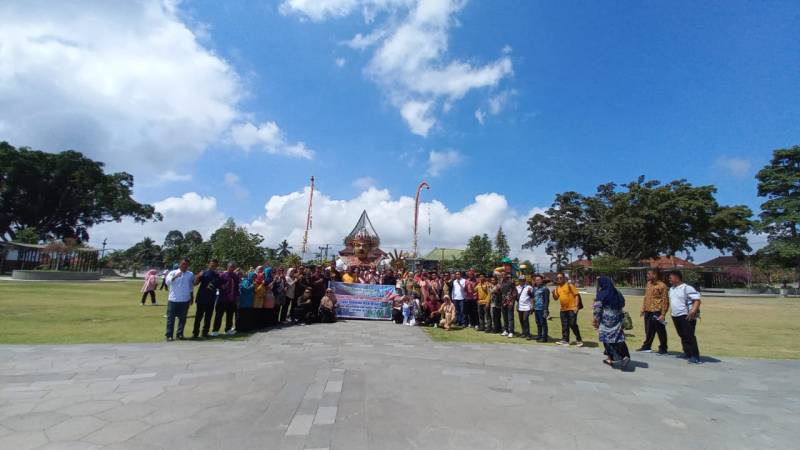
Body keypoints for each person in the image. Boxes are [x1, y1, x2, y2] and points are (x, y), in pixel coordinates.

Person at [593, 276, 631, 368]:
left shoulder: (601, 294)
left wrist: (596, 320)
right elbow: (623, 303)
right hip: (617, 318)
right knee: (618, 337)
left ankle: (612, 358)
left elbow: (598, 309)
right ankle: (624, 356)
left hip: (606, 320)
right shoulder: (617, 292)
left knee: (606, 338)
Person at [668, 270, 702, 364]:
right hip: (675, 315)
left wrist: (693, 311)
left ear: (677, 278)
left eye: (671, 277)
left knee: (689, 335)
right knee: (682, 335)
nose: (669, 279)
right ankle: (687, 352)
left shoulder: (687, 288)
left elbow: (697, 300)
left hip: (686, 315)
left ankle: (695, 356)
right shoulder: (672, 289)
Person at [637, 269, 669, 354]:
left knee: (660, 330)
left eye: (648, 274)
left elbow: (665, 300)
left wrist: (663, 314)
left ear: (655, 275)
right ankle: (647, 346)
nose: (647, 275)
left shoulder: (662, 286)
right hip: (648, 310)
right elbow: (646, 297)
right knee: (648, 329)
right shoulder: (648, 284)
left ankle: (663, 348)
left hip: (657, 311)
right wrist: (643, 309)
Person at [164, 259, 194, 341]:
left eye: (186, 264)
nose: (185, 266)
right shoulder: (172, 272)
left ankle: (180, 334)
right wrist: (176, 276)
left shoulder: (190, 274)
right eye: (183, 264)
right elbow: (167, 282)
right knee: (171, 319)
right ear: (180, 264)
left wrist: (192, 297)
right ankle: (169, 335)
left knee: (183, 319)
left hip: (185, 300)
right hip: (173, 299)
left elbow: (191, 287)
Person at [553, 272, 583, 347]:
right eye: (558, 278)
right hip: (563, 309)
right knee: (564, 325)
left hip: (572, 308)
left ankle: (579, 339)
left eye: (560, 277)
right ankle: (565, 340)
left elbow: (576, 295)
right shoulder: (557, 288)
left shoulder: (570, 285)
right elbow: (556, 298)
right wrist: (553, 293)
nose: (559, 279)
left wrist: (576, 306)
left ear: (564, 278)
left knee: (572, 324)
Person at [192, 259, 219, 339]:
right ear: (208, 264)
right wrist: (198, 276)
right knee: (198, 317)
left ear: (217, 266)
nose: (213, 266)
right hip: (202, 298)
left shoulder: (217, 274)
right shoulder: (203, 273)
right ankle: (195, 333)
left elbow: (218, 285)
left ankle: (205, 332)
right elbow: (195, 283)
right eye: (212, 265)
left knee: (208, 317)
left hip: (211, 298)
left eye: (215, 265)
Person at [212, 262, 240, 336]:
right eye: (231, 267)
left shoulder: (235, 276)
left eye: (233, 267)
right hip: (222, 299)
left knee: (230, 316)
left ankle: (228, 329)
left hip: (231, 299)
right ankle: (215, 330)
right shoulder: (222, 275)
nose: (232, 268)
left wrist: (237, 297)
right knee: (219, 315)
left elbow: (237, 288)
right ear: (227, 267)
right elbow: (217, 284)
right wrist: (222, 286)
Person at [532, 275, 550, 342]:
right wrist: (533, 307)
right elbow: (534, 298)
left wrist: (545, 310)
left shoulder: (545, 289)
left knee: (543, 323)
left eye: (539, 280)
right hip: (536, 308)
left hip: (542, 309)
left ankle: (544, 337)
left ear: (542, 280)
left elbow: (546, 301)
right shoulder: (536, 289)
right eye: (536, 280)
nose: (537, 281)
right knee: (538, 323)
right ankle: (539, 335)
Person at [500, 271, 517, 338]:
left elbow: (515, 292)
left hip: (510, 301)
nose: (502, 276)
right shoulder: (502, 282)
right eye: (502, 275)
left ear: (507, 275)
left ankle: (511, 331)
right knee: (505, 317)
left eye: (503, 274)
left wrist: (512, 301)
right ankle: (506, 330)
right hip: (503, 301)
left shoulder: (511, 282)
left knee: (510, 317)